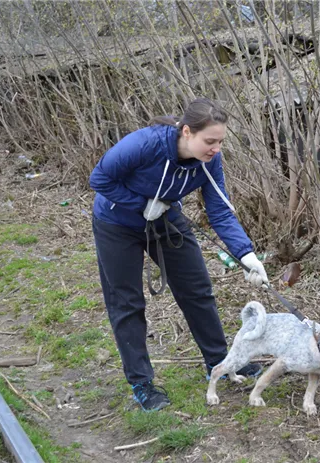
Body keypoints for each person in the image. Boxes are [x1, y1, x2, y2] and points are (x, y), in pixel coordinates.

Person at [89, 97, 269, 411]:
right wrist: (140, 203)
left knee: (198, 290)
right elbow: (99, 178)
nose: (215, 148)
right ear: (187, 132)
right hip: (116, 222)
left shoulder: (210, 161)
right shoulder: (145, 145)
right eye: (209, 141)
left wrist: (246, 254)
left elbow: (220, 211)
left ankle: (220, 364)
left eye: (220, 141)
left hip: (166, 219)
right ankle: (142, 385)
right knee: (127, 303)